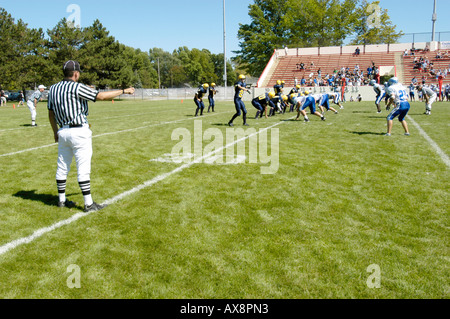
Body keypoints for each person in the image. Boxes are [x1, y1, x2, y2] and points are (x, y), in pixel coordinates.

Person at [47, 60, 135, 212]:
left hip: (62, 131)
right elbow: (100, 96)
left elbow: (51, 113)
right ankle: (88, 203)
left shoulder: (53, 89)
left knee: (62, 166)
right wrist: (123, 91)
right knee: (83, 166)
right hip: (79, 131)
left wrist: (55, 131)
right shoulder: (76, 87)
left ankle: (61, 200)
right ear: (75, 73)